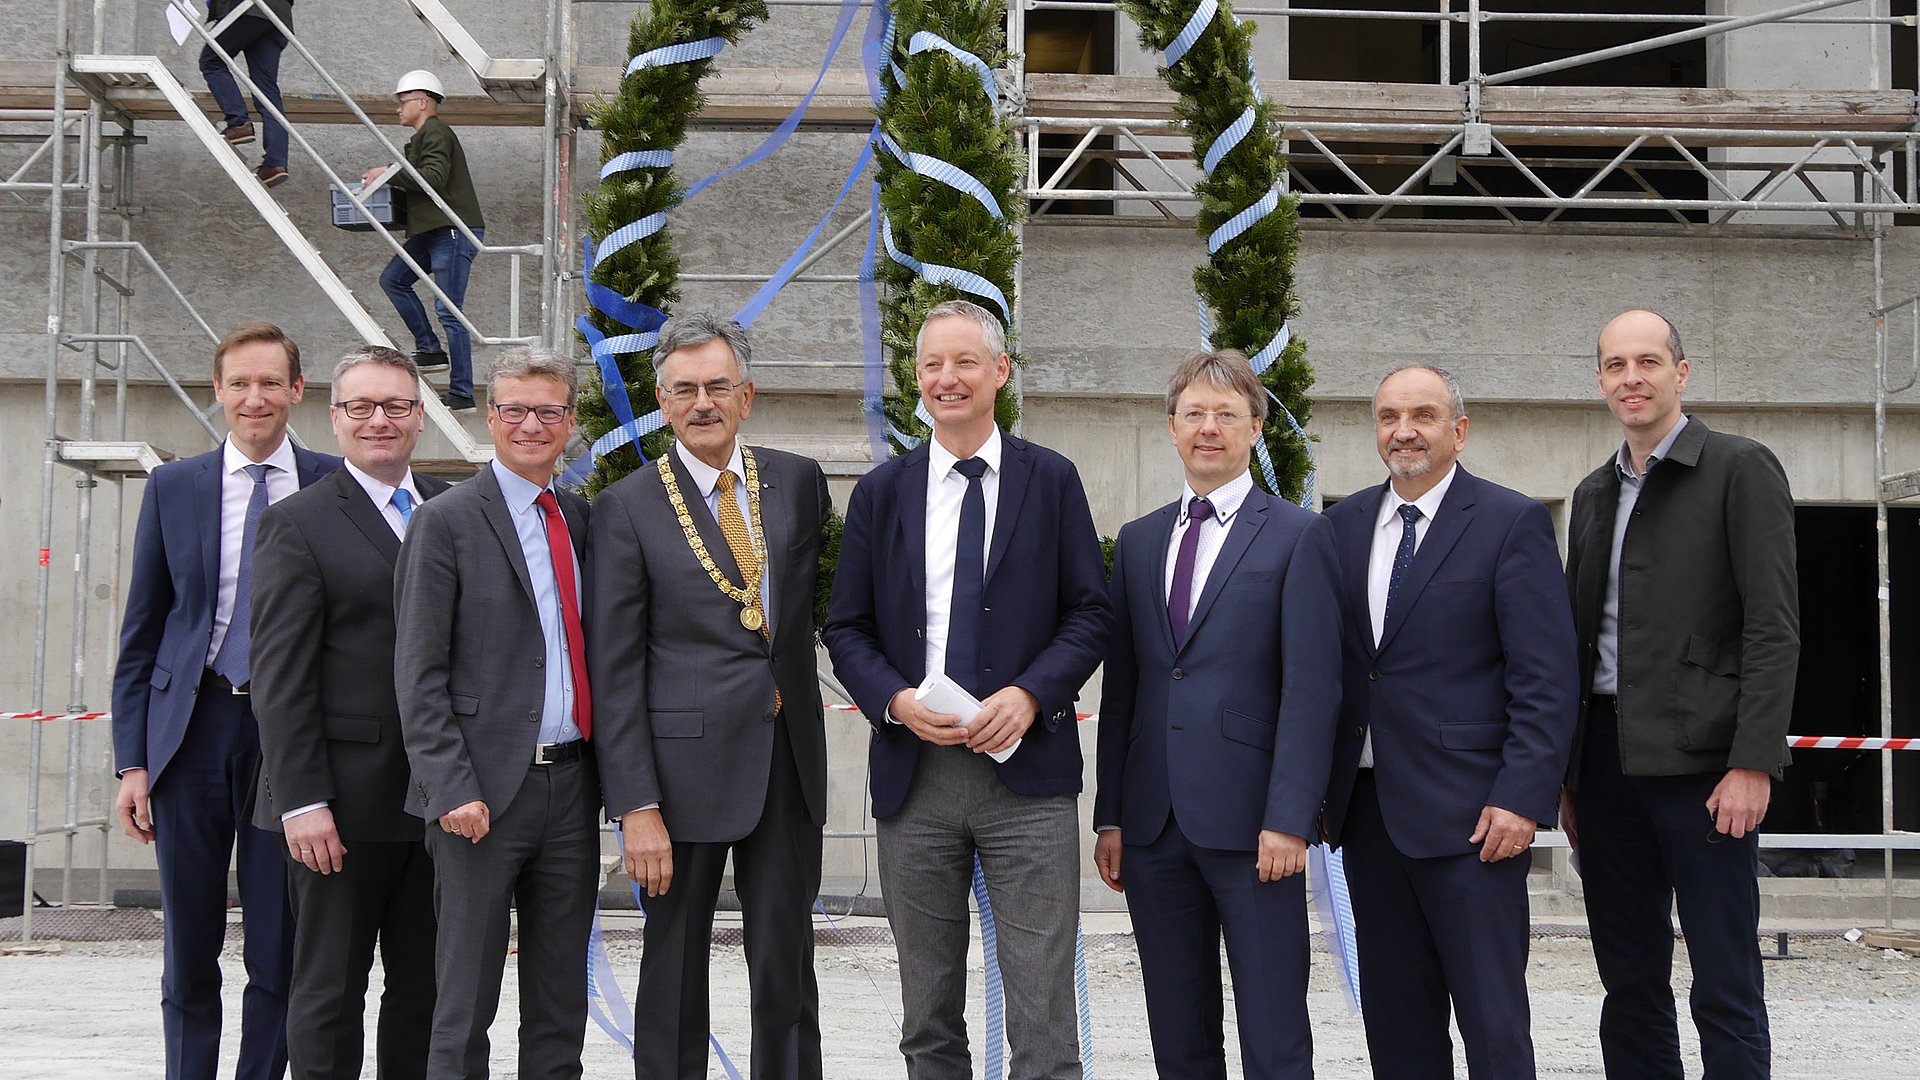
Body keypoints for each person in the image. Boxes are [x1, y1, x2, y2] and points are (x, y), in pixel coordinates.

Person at [824, 298, 1113, 1080]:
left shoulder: (1051, 481)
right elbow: (845, 627)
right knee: (927, 1015)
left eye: (964, 362)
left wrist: (1031, 694)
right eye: (931, 364)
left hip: (1028, 778)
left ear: (1000, 371)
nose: (946, 378)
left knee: (1044, 1016)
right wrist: (895, 702)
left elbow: (1091, 613)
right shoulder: (882, 493)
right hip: (916, 778)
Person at [587, 314, 834, 1080]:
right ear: (662, 402)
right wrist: (635, 804)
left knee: (787, 967)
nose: (703, 403)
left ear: (746, 396)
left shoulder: (799, 481)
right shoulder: (626, 507)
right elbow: (614, 668)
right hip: (678, 779)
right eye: (686, 389)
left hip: (788, 764)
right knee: (673, 970)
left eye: (718, 387)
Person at [1321, 365, 1579, 1079]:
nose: (1404, 431)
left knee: (1494, 1029)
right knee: (1398, 1031)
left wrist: (1522, 798)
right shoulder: (1340, 527)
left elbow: (1546, 679)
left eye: (1423, 416)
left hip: (1476, 823)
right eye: (1389, 417)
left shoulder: (1510, 522)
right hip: (1369, 819)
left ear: (1458, 431)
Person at [1092, 350, 1342, 1080]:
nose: (1209, 428)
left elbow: (1312, 690)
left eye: (1227, 414)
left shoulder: (1299, 534)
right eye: (1194, 413)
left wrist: (1291, 817)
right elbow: (1125, 688)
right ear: (1171, 427)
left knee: (1274, 1034)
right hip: (1153, 825)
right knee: (1179, 1037)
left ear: (1256, 428)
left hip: (1255, 827)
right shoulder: (1138, 541)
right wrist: (1112, 816)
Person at [1562, 310, 1799, 1079]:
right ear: (1600, 381)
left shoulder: (1740, 469)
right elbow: (1577, 643)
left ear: (1681, 373)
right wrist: (1569, 776)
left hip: (1707, 768)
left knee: (1724, 978)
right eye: (1616, 365)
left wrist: (1753, 761)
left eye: (1648, 362)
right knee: (1628, 978)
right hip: (1605, 769)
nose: (1632, 378)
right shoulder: (1592, 494)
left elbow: (1773, 628)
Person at [111, 322, 339, 1080]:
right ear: (217, 391)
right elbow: (143, 631)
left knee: (279, 946)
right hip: (193, 732)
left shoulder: (333, 485)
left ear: (297, 391)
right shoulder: (174, 487)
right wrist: (133, 762)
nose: (255, 398)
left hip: (292, 738)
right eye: (239, 383)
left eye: (271, 382)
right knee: (189, 947)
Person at [393, 347, 597, 1080]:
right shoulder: (445, 520)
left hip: (572, 790)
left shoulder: (580, 517)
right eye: (515, 410)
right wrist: (450, 786)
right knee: (465, 1003)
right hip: (478, 796)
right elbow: (418, 671)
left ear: (569, 422)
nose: (530, 425)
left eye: (547, 411)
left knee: (560, 1002)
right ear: (491, 416)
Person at [248, 345, 448, 1080]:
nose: (378, 420)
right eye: (360, 406)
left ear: (420, 417)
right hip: (338, 808)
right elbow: (280, 677)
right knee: (331, 989)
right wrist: (301, 801)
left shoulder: (453, 509)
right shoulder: (297, 522)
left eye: (395, 405)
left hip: (441, 801)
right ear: (333, 418)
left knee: (426, 990)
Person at [361, 69, 486, 412]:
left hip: (452, 230)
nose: (398, 109)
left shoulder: (435, 132)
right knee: (393, 280)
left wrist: (388, 172)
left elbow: (433, 177)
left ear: (422, 102)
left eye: (403, 102)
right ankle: (429, 349)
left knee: (449, 310)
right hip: (432, 231)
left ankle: (462, 392)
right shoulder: (423, 138)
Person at [200, 0, 294, 187]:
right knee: (267, 91)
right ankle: (276, 163)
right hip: (278, 15)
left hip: (245, 7)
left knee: (212, 61)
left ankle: (239, 123)